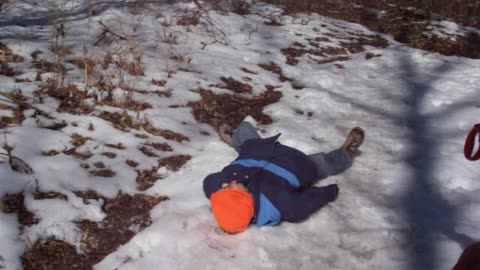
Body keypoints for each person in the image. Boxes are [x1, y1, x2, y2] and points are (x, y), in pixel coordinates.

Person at [203, 121, 365, 233]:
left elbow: (209, 182)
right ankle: (346, 153)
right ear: (242, 198)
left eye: (223, 188)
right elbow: (307, 202)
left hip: (258, 150)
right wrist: (329, 192)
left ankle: (236, 139)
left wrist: (223, 189)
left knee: (245, 127)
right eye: (229, 188)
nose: (225, 184)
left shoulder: (224, 187)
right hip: (297, 163)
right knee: (324, 162)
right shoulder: (277, 202)